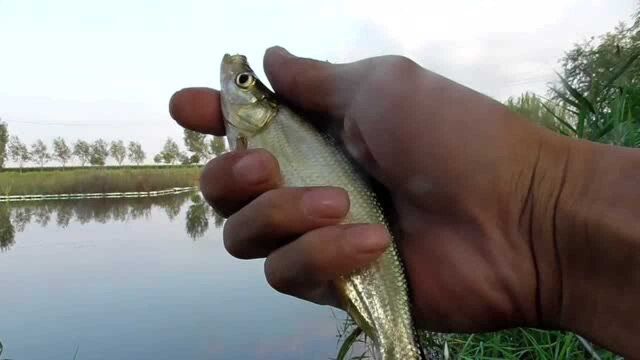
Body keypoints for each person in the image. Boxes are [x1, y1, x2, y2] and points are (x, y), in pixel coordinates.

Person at [169, 46, 640, 357]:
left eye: (245, 81)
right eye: (244, 81)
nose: (238, 83)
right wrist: (537, 219)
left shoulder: (270, 124)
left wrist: (536, 207)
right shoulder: (263, 128)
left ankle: (397, 346)